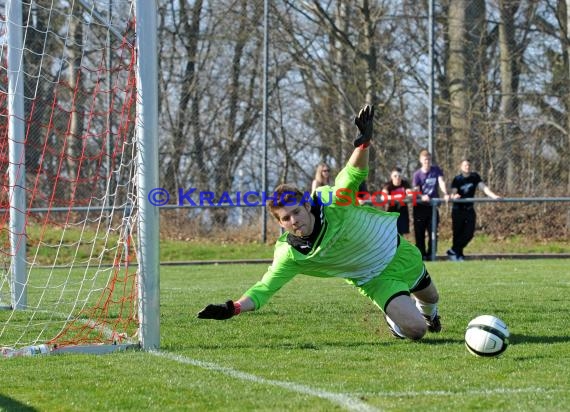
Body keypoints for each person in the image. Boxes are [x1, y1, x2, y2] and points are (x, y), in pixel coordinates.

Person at [197, 104, 442, 341]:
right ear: (280, 224)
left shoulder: (331, 202)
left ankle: (430, 314)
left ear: (306, 205)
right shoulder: (291, 254)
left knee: (431, 297)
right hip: (373, 279)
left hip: (397, 251)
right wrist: (233, 308)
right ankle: (396, 319)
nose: (294, 220)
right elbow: (264, 289)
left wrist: (363, 143)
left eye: (296, 212)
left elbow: (351, 175)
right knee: (416, 331)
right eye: (285, 218)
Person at [447, 159, 501, 261]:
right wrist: (454, 195)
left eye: (468, 165)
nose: (467, 167)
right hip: (458, 210)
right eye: (465, 165)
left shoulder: (474, 177)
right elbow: (453, 191)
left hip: (469, 209)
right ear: (461, 167)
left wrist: (494, 196)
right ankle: (458, 255)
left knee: (469, 233)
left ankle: (453, 250)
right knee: (457, 233)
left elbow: (483, 187)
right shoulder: (457, 179)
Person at [412, 150, 449, 261]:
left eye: (428, 159)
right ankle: (421, 255)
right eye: (425, 159)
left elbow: (441, 182)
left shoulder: (436, 170)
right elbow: (415, 190)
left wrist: (446, 193)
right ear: (420, 160)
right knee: (420, 233)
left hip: (432, 207)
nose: (427, 161)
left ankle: (431, 254)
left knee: (433, 232)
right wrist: (422, 196)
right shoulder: (417, 174)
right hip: (420, 207)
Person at [382, 167, 412, 235]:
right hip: (391, 213)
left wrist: (405, 196)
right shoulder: (388, 185)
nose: (397, 178)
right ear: (391, 176)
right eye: (395, 176)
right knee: (390, 235)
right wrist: (396, 197)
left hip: (402, 213)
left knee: (400, 236)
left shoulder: (405, 184)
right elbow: (383, 197)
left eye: (399, 176)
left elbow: (410, 195)